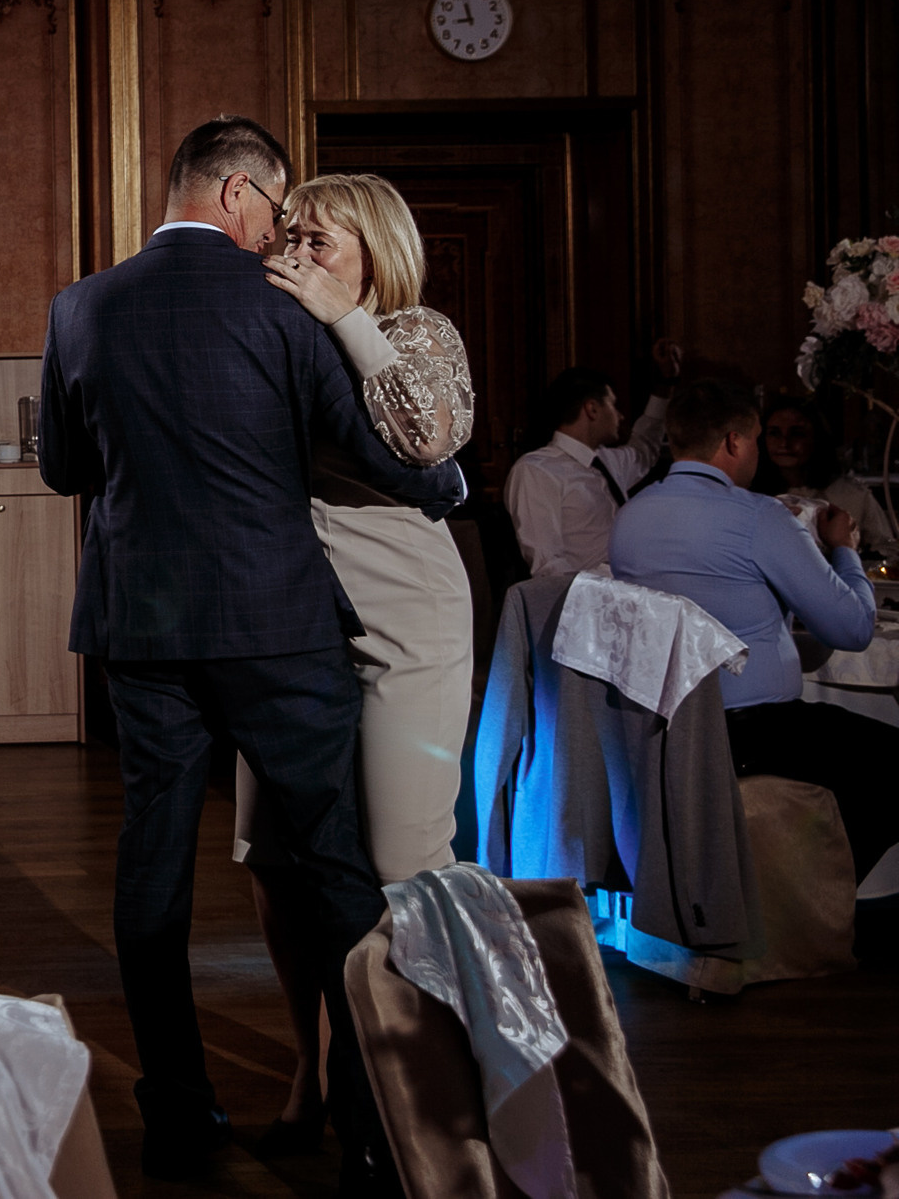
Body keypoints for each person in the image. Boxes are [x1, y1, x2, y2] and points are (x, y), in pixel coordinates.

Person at [36, 115, 464, 1190]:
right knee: (331, 870)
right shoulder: (281, 312)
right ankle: (371, 1127)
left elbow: (60, 467)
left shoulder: (80, 306)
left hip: (143, 625)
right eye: (277, 209)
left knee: (153, 871)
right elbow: (380, 453)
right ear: (237, 191)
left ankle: (176, 1111)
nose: (280, 231)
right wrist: (441, 483)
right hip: (279, 625)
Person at [237, 172, 476, 1153]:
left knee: (403, 860)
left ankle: (441, 1079)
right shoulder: (270, 344)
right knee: (275, 862)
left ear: (375, 253)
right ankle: (317, 1063)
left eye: (317, 241)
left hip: (404, 628)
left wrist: (348, 318)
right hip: (290, 634)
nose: (290, 254)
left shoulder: (416, 332)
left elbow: (429, 440)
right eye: (283, 237)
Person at [610, 378, 897, 887]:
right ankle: (815, 897)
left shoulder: (631, 516)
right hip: (752, 730)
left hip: (660, 724)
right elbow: (853, 628)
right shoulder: (759, 518)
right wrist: (842, 547)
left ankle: (790, 887)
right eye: (759, 438)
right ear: (734, 442)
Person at [503, 357, 679, 578]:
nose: (620, 416)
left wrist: (664, 387)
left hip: (633, 587)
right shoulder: (537, 470)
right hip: (587, 599)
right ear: (592, 409)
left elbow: (644, 448)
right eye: (613, 405)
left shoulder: (608, 461)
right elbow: (547, 564)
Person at [751, 392, 899, 555]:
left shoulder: (853, 496)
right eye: (774, 433)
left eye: (797, 433)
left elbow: (887, 549)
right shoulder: (751, 495)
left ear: (817, 438)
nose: (784, 442)